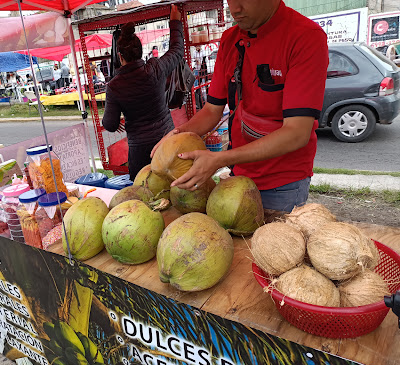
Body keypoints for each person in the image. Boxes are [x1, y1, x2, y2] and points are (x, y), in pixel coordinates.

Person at [152, 0, 329, 213]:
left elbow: (297, 132)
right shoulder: (230, 40)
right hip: (239, 174)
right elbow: (211, 110)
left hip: (282, 184)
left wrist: (219, 159)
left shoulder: (305, 37)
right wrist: (177, 135)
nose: (235, 9)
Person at [102, 5, 184, 180]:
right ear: (140, 52)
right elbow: (177, 50)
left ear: (120, 56)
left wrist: (118, 120)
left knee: (143, 191)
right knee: (175, 184)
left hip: (139, 150)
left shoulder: (114, 86)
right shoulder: (155, 68)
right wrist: (175, 22)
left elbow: (109, 124)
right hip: (166, 139)